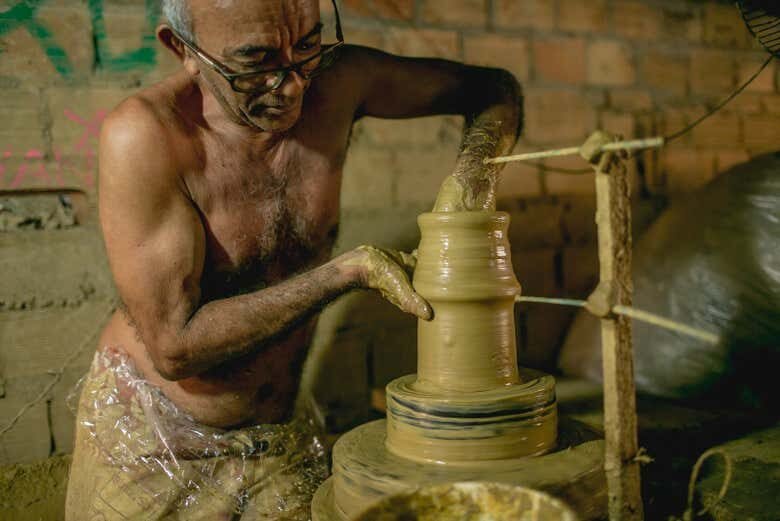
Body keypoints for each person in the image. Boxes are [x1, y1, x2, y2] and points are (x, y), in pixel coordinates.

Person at [65, 0, 522, 519]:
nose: (292, 85)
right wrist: (345, 273)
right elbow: (176, 347)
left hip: (278, 431)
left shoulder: (339, 78)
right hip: (156, 438)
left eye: (307, 46)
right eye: (255, 62)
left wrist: (474, 178)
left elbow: (493, 89)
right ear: (183, 50)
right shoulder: (148, 136)